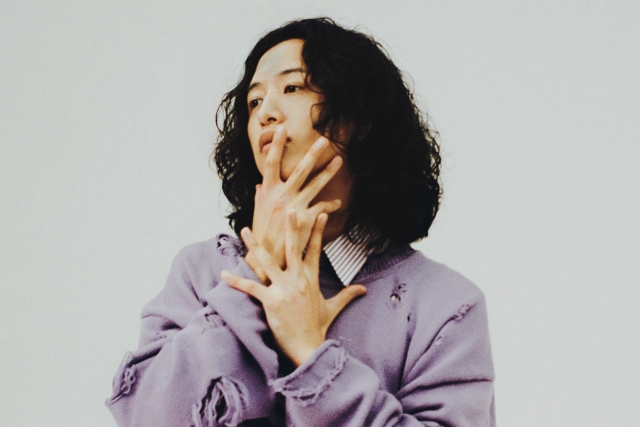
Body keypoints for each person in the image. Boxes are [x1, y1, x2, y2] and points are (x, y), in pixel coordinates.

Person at [106, 18, 496, 427]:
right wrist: (254, 273)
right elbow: (146, 417)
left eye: (292, 88)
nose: (266, 113)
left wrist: (313, 358)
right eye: (254, 101)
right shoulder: (202, 272)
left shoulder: (446, 305)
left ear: (360, 117)